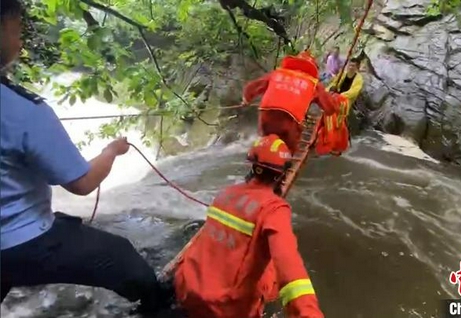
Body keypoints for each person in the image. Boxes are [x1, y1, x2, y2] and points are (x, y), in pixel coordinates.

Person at [0, 0, 171, 313]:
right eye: (16, 30)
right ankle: (159, 307)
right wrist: (111, 151)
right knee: (123, 257)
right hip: (21, 244)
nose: (21, 40)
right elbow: (81, 183)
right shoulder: (25, 111)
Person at [173, 135, 324, 318]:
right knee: (271, 277)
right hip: (223, 309)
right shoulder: (273, 209)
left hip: (186, 290)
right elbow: (288, 263)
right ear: (282, 173)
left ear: (252, 166)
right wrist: (307, 311)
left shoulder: (226, 193)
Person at [242, 50, 337, 154]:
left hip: (266, 114)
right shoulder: (313, 83)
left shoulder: (277, 74)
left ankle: (262, 156)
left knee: (266, 140)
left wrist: (246, 99)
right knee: (288, 148)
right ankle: (286, 162)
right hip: (290, 119)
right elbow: (330, 107)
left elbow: (251, 87)